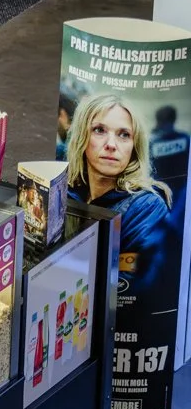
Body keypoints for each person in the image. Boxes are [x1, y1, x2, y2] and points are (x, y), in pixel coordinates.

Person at [64, 94, 177, 301]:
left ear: (134, 146)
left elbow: (132, 287)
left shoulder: (147, 206)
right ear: (82, 137)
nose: (111, 144)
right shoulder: (66, 190)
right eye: (99, 130)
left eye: (124, 135)